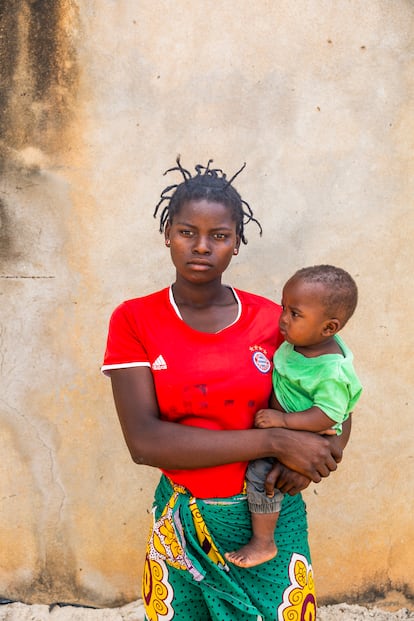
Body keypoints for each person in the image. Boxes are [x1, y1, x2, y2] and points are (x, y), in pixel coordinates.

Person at [102, 157, 351, 621]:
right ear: (167, 235)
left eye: (219, 235)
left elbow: (337, 391)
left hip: (270, 520)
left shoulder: (274, 320)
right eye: (186, 232)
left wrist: (322, 453)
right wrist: (277, 440)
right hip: (184, 520)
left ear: (237, 243)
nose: (201, 246)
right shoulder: (134, 320)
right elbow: (144, 441)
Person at [225, 264, 362, 569]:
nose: (283, 319)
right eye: (283, 307)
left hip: (305, 431)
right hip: (284, 425)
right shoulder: (301, 341)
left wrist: (283, 423)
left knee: (262, 476)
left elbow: (330, 413)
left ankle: (263, 542)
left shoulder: (331, 370)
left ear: (329, 328)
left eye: (294, 313)